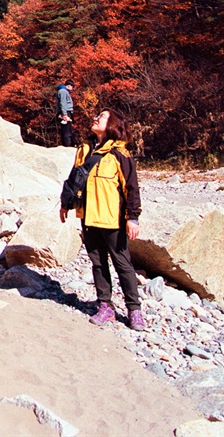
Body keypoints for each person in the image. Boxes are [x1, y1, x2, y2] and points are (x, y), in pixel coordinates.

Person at [60, 109, 144, 330]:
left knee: (122, 264)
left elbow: (131, 187)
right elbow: (73, 179)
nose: (96, 118)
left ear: (113, 124)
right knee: (98, 263)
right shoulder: (84, 149)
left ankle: (134, 309)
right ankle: (105, 305)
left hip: (112, 218)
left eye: (102, 117)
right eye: (96, 115)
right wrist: (65, 204)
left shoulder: (120, 154)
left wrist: (132, 218)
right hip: (88, 216)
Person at [57, 80, 75, 147]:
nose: (72, 89)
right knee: (66, 131)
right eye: (72, 87)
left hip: (66, 112)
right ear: (69, 86)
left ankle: (68, 144)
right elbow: (63, 103)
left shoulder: (63, 91)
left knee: (67, 129)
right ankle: (67, 145)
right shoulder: (63, 91)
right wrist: (65, 114)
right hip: (66, 112)